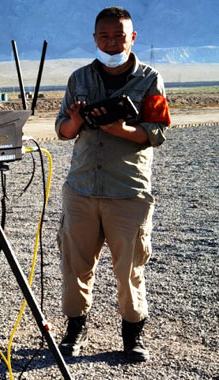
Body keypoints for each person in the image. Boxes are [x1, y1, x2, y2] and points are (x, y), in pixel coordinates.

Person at [55, 6, 171, 362]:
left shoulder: (150, 79)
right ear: (94, 39)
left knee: (130, 268)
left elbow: (157, 131)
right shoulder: (78, 79)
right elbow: (62, 130)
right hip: (82, 189)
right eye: (104, 36)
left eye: (118, 36)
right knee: (74, 266)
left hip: (128, 191)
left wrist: (119, 129)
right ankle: (75, 331)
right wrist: (76, 121)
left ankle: (132, 336)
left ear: (132, 38)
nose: (111, 43)